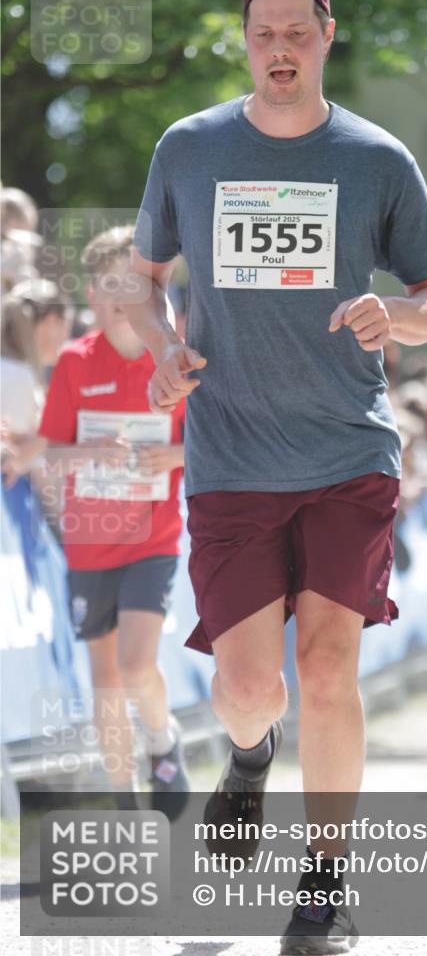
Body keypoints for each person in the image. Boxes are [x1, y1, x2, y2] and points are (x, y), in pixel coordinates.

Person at [127, 0, 427, 951]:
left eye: (296, 32)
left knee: (325, 667)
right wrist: (161, 351)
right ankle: (246, 756)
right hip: (231, 453)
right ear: (245, 39)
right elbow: (143, 279)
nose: (280, 47)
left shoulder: (376, 158)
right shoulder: (188, 149)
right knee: (247, 689)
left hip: (347, 453)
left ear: (326, 36)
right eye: (263, 31)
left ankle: (322, 890)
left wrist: (395, 314)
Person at [37, 226, 190, 813]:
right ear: (94, 297)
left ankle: (162, 739)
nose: (121, 297)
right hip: (88, 543)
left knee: (135, 663)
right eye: (108, 287)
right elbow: (49, 450)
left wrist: (172, 455)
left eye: (131, 284)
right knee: (104, 676)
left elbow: (213, 447)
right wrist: (88, 454)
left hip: (153, 536)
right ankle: (125, 799)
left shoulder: (176, 358)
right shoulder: (75, 362)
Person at [1, 279, 71, 489]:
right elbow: (14, 456)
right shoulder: (16, 375)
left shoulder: (16, 371)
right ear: (51, 321)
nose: (65, 337)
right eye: (64, 326)